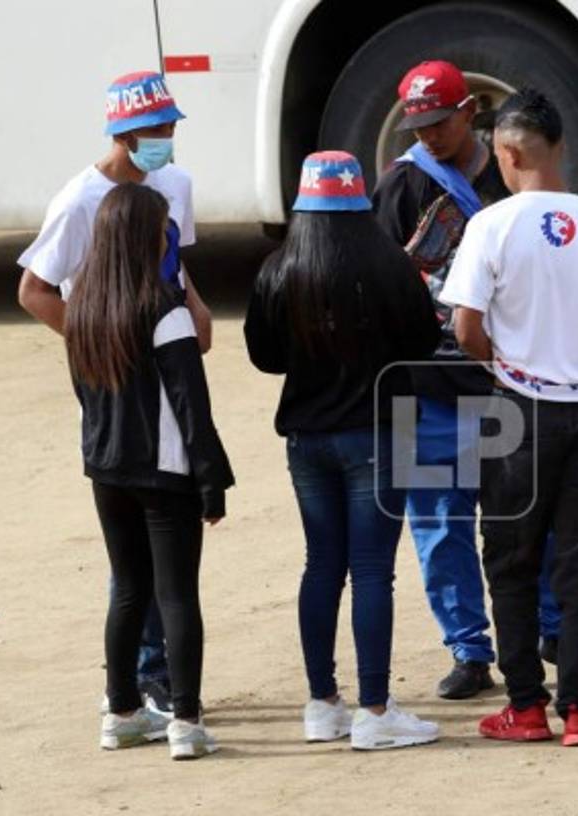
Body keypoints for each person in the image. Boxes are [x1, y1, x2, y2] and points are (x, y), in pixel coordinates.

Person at [440, 89, 578, 747]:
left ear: (505, 151)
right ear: (558, 146)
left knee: (510, 560)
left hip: (516, 413)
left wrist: (506, 365)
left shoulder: (491, 225)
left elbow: (464, 326)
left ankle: (526, 706)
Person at [17, 70, 213, 713]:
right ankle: (142, 678)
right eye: (158, 130)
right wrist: (106, 347)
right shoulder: (78, 202)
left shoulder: (174, 185)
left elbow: (171, 261)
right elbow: (35, 291)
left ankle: (152, 680)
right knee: (137, 535)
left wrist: (192, 308)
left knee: (162, 522)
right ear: (125, 134)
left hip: (169, 353)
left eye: (172, 127)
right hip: (112, 380)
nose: (169, 140)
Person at [372, 59, 559, 699]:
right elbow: (374, 290)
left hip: (504, 387)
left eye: (440, 121)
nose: (428, 134)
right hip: (419, 394)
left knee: (524, 520)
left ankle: (547, 634)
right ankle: (468, 650)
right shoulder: (398, 188)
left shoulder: (515, 181)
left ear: (471, 111)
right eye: (418, 124)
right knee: (437, 528)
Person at [245, 151, 443, 751]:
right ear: (361, 202)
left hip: (307, 440)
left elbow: (265, 356)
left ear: (303, 205)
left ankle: (321, 702)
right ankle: (375, 710)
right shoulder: (390, 266)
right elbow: (423, 341)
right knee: (373, 571)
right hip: (380, 434)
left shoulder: (281, 269)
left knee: (321, 565)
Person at [66, 183, 232, 760]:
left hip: (106, 471)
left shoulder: (83, 308)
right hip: (164, 473)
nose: (169, 234)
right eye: (163, 226)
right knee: (177, 594)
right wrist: (213, 482)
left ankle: (121, 713)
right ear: (145, 235)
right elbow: (192, 406)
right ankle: (186, 723)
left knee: (129, 591)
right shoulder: (166, 309)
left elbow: (85, 397)